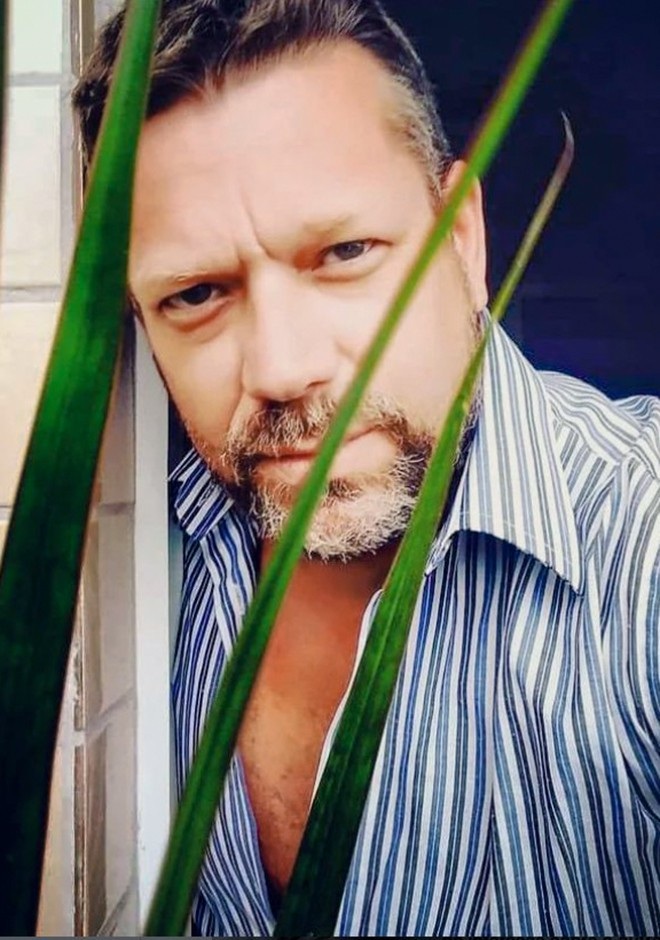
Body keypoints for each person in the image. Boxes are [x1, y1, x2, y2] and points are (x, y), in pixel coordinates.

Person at [73, 1, 660, 935]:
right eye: (197, 293)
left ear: (461, 239)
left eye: (345, 253)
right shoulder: (143, 562)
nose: (282, 367)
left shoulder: (640, 535)